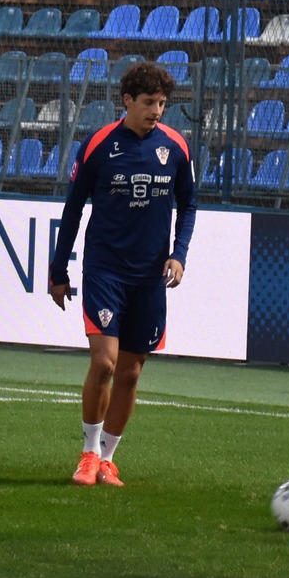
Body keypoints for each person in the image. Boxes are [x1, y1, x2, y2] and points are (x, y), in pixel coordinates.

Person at [47, 62, 196, 488]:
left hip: (150, 276)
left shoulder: (176, 147)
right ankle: (88, 453)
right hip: (105, 270)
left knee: (131, 371)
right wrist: (59, 270)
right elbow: (73, 209)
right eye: (149, 103)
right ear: (127, 101)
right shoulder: (98, 144)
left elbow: (188, 205)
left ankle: (109, 458)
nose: (157, 111)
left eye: (163, 104)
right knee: (105, 363)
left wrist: (179, 255)